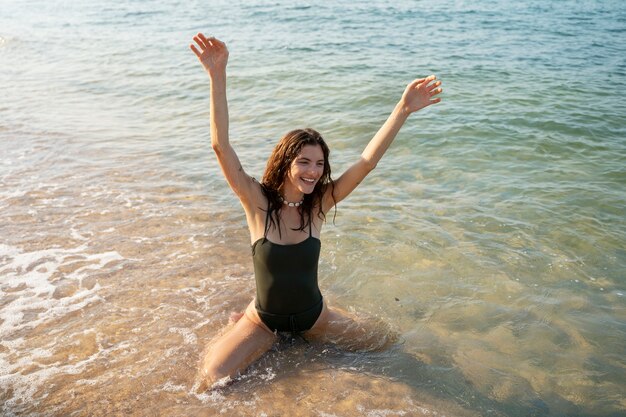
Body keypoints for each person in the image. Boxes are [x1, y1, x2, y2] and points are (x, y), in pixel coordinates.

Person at [190, 33, 442, 388]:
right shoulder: (257, 202)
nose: (313, 172)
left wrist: (402, 109)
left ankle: (304, 337)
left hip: (315, 318)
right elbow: (221, 146)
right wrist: (217, 76)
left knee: (388, 345)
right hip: (264, 321)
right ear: (285, 163)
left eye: (320, 164)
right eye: (304, 162)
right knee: (213, 380)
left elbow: (366, 162)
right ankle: (239, 324)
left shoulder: (319, 206)